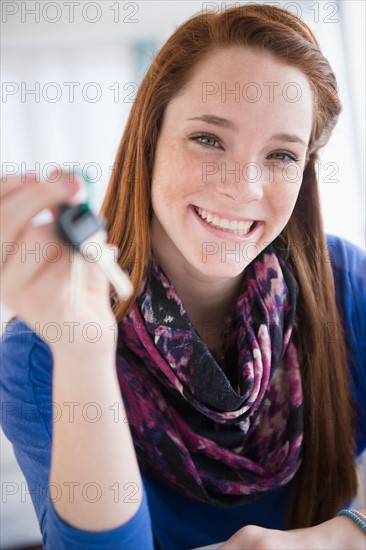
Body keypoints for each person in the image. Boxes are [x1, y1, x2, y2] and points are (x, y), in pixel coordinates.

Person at [1, 3, 365, 549]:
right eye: (209, 139)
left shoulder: (344, 283)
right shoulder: (40, 351)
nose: (243, 187)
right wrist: (87, 353)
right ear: (150, 142)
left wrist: (342, 535)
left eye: (282, 154)